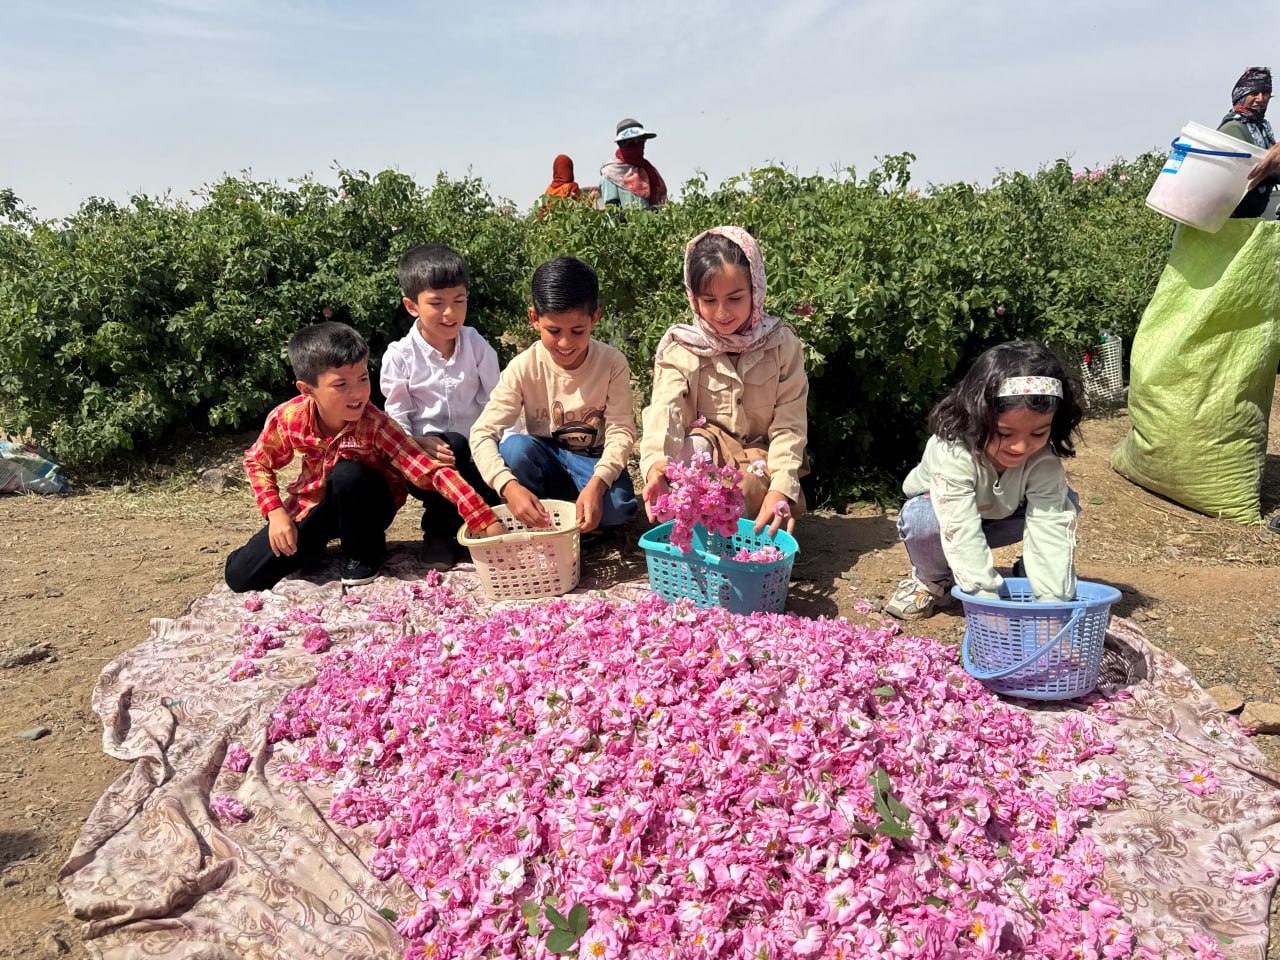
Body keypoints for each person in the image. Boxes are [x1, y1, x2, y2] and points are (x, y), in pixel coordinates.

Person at [225, 321, 504, 593]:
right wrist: (276, 514)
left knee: (349, 474)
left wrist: (483, 519)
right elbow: (257, 461)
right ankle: (311, 546)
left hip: (369, 508)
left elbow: (430, 470)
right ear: (307, 390)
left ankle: (364, 553)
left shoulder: (377, 425)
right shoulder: (289, 418)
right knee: (241, 575)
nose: (357, 393)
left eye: (362, 378)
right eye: (340, 385)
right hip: (317, 504)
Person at [883, 340, 1083, 620]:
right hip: (944, 521)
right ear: (975, 417)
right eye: (1004, 433)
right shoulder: (952, 451)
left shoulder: (1043, 461)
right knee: (922, 517)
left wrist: (1051, 605)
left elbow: (1049, 526)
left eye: (1038, 433)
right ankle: (933, 581)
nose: (1021, 447)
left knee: (1064, 501)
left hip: (1003, 517)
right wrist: (985, 603)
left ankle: (1033, 571)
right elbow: (959, 529)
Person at [640, 226, 808, 537]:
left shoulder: (781, 345)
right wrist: (656, 467)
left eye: (735, 298)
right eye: (709, 300)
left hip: (758, 458)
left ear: (756, 290)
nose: (721, 313)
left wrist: (781, 488)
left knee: (746, 489)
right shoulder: (682, 348)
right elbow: (665, 412)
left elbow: (790, 425)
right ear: (694, 298)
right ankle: (694, 533)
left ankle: (736, 532)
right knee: (691, 451)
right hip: (707, 453)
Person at [470, 256, 638, 533]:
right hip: (546, 459)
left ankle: (578, 511)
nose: (565, 342)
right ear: (534, 319)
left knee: (619, 508)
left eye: (577, 331)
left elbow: (621, 430)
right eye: (554, 330)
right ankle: (550, 513)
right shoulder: (523, 367)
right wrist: (508, 486)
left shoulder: (612, 363)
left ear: (594, 319)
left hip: (592, 462)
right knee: (515, 449)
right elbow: (482, 433)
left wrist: (599, 483)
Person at [380, 244, 503, 569]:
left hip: (476, 458)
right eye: (436, 303)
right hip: (426, 464)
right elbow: (397, 417)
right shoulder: (400, 356)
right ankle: (437, 533)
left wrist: (505, 453)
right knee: (451, 445)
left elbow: (498, 402)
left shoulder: (476, 345)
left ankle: (475, 517)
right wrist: (416, 442)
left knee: (468, 449)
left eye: (459, 301)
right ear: (412, 306)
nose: (450, 313)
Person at [1218, 66, 1280, 219]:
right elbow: (1241, 173)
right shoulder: (1234, 127)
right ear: (1241, 94)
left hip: (1250, 217)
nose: (1261, 99)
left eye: (1265, 93)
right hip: (1230, 218)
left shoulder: (1263, 128)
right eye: (1254, 93)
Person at [599, 118, 668, 210]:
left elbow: (663, 205)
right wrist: (643, 214)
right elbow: (612, 212)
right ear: (621, 144)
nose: (637, 146)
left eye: (640, 141)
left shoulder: (650, 171)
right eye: (631, 143)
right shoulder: (610, 173)